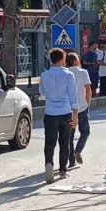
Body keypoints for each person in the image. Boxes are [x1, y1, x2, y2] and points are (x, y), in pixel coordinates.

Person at [39, 48, 78, 183]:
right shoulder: (68, 75)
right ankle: (62, 170)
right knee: (64, 142)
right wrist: (75, 114)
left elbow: (42, 93)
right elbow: (73, 96)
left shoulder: (44, 75)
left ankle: (49, 163)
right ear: (62, 59)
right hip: (65, 112)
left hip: (50, 112)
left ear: (51, 60)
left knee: (50, 142)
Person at [65, 53, 92, 167]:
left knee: (70, 135)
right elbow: (88, 89)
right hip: (82, 107)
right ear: (76, 61)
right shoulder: (83, 72)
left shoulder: (65, 73)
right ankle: (78, 151)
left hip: (69, 108)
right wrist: (87, 103)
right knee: (85, 131)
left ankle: (71, 160)